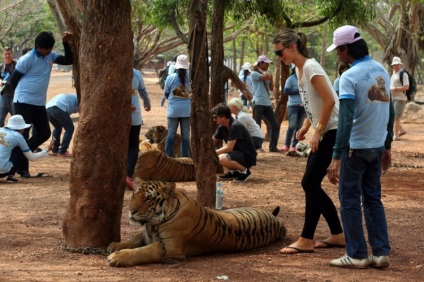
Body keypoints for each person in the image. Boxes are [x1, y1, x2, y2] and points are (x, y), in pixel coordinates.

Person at [273, 29, 344, 254]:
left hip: (332, 131)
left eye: (279, 52)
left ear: (292, 47)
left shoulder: (311, 66)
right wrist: (305, 127)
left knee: (309, 183)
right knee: (310, 183)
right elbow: (311, 103)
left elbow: (330, 101)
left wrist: (318, 130)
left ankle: (306, 239)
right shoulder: (298, 69)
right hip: (323, 132)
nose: (279, 57)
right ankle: (338, 234)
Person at [326, 25, 392, 269]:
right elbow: (390, 109)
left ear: (346, 49)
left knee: (350, 199)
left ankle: (356, 255)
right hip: (375, 146)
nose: (338, 55)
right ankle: (381, 252)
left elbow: (345, 118)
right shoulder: (381, 70)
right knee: (373, 199)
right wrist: (387, 144)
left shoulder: (349, 77)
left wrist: (336, 155)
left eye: (338, 51)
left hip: (355, 148)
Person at [9, 31, 73, 178]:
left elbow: (69, 60)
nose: (50, 50)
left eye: (51, 48)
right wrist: (18, 98)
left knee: (44, 133)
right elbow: (14, 80)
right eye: (47, 48)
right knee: (23, 134)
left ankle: (20, 154)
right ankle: (22, 170)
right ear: (39, 47)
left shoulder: (51, 55)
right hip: (23, 101)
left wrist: (65, 43)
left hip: (38, 103)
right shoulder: (27, 59)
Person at [212, 103, 257, 182]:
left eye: (216, 117)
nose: (214, 119)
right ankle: (233, 173)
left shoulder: (235, 126)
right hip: (237, 154)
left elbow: (229, 148)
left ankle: (245, 172)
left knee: (221, 158)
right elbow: (212, 142)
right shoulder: (221, 127)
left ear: (223, 116)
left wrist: (212, 153)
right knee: (220, 156)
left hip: (247, 157)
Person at [0, 115, 49, 182]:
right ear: (20, 128)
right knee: (18, 149)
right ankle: (11, 176)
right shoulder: (18, 136)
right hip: (2, 171)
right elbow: (32, 157)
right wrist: (46, 151)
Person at [250, 55, 282, 153]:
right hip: (258, 102)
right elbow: (267, 77)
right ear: (260, 63)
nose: (268, 65)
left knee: (275, 124)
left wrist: (270, 78)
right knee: (257, 125)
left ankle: (273, 146)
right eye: (266, 63)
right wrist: (260, 69)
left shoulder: (265, 73)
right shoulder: (254, 74)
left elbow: (272, 88)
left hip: (267, 103)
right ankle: (257, 147)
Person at [126, 68, 151, 189]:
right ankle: (128, 175)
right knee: (132, 146)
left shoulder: (112, 69)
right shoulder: (136, 73)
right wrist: (147, 102)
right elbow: (142, 90)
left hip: (116, 117)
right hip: (134, 116)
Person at [163, 54, 190, 157]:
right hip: (187, 111)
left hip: (173, 111)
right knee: (186, 136)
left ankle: (168, 156)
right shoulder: (191, 77)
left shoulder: (170, 78)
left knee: (171, 134)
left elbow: (166, 93)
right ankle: (185, 157)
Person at [283, 64, 306, 153]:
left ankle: (294, 145)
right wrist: (298, 91)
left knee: (299, 126)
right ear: (294, 70)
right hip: (293, 106)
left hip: (303, 106)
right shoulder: (290, 79)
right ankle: (286, 145)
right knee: (292, 126)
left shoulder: (304, 79)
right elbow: (286, 91)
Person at [390, 56, 409, 140]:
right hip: (393, 97)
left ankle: (396, 135)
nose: (395, 66)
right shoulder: (393, 73)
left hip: (401, 98)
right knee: (393, 115)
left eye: (397, 64)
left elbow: (406, 87)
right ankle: (401, 130)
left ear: (400, 65)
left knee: (396, 117)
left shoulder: (403, 74)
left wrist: (396, 89)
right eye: (394, 65)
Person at [0, 47, 17, 127]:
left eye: (9, 54)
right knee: (0, 120)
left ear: (12, 54)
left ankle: (16, 139)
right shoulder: (1, 66)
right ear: (3, 55)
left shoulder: (17, 65)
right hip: (3, 97)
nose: (7, 56)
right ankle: (1, 138)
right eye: (5, 54)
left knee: (16, 121)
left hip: (15, 97)